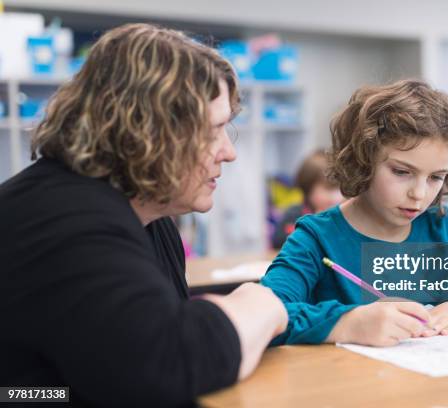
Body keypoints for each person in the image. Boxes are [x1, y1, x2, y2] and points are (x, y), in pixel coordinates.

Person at [0, 24, 287, 407]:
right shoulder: (67, 220)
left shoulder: (149, 215)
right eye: (214, 130)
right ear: (150, 132)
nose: (228, 152)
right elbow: (167, 365)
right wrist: (262, 303)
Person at [261, 79, 448, 347]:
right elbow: (263, 313)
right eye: (402, 172)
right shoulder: (316, 237)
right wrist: (347, 323)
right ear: (363, 160)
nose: (419, 194)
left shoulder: (443, 229)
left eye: (436, 177)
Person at [272, 149, 343, 249]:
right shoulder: (293, 216)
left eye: (339, 188)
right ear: (308, 188)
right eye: (328, 189)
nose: (335, 196)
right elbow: (278, 243)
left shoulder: (345, 216)